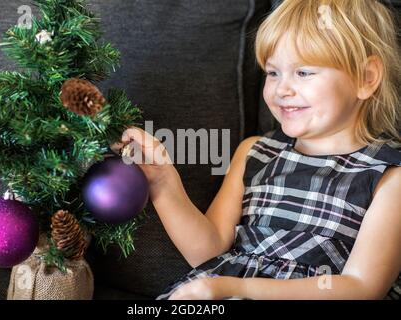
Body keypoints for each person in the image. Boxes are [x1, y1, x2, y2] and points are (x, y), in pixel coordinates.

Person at [110, 0, 401, 300]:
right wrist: (163, 182)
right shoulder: (255, 153)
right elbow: (207, 252)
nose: (281, 89)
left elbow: (362, 287)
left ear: (366, 78)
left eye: (303, 73)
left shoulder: (387, 176)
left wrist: (233, 286)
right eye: (273, 73)